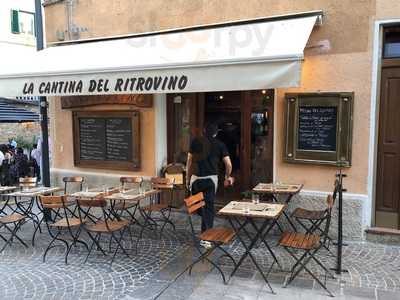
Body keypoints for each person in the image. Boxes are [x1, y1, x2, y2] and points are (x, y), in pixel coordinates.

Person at [186, 123, 234, 233]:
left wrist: (187, 178)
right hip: (210, 180)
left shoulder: (195, 142)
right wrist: (227, 176)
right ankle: (206, 236)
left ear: (203, 131)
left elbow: (188, 162)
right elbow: (229, 164)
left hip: (196, 180)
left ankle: (205, 230)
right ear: (216, 133)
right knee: (208, 208)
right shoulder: (220, 145)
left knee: (197, 205)